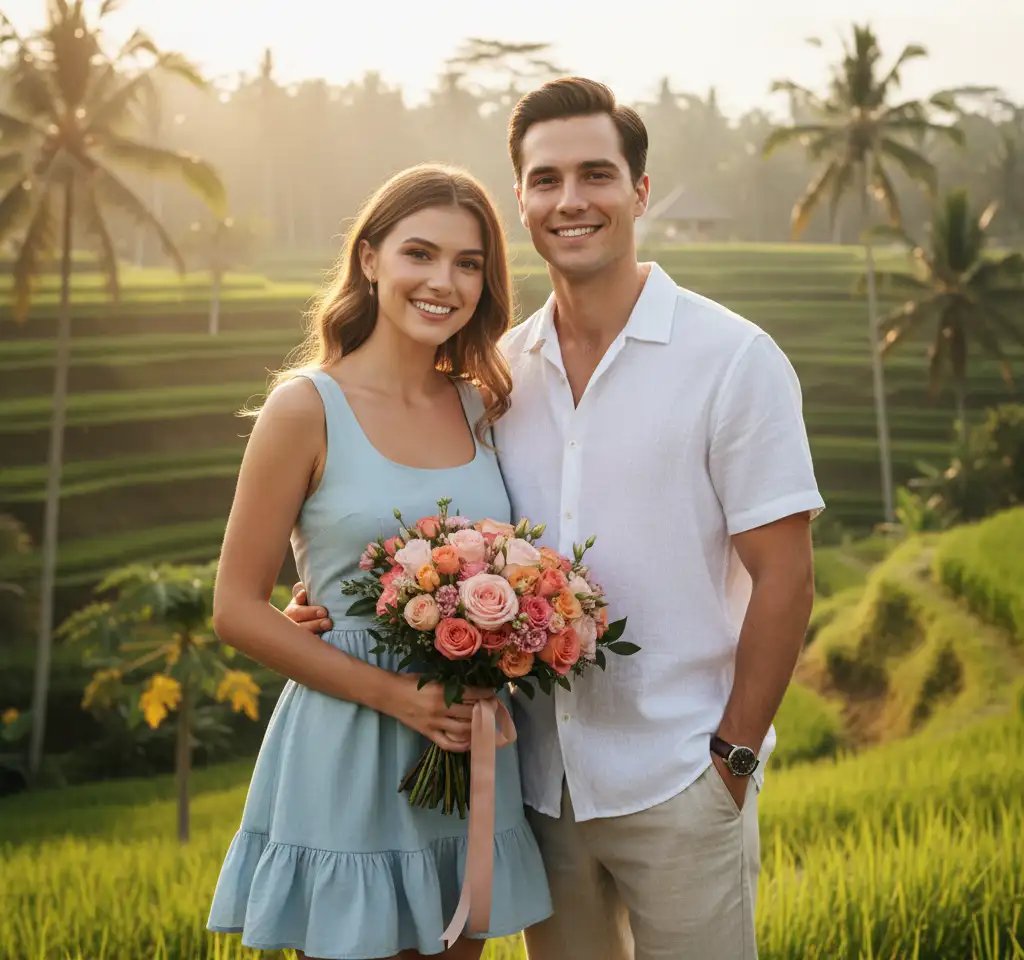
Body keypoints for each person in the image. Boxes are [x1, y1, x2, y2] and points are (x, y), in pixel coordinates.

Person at [285, 78, 824, 960]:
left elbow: (787, 575)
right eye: (545, 180)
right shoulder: (495, 375)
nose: (570, 201)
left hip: (680, 778)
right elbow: (410, 516)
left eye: (596, 174)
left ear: (639, 191)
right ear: (522, 201)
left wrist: (731, 760)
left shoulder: (733, 359)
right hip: (538, 788)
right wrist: (322, 605)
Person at [206, 163, 552, 960]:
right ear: (369, 259)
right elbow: (235, 606)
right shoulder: (304, 408)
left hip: (467, 742)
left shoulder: (482, 404)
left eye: (469, 263)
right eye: (419, 254)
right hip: (351, 738)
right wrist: (398, 694)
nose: (444, 282)